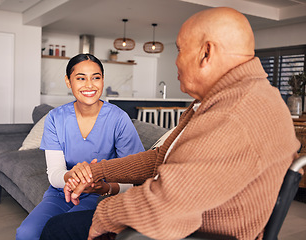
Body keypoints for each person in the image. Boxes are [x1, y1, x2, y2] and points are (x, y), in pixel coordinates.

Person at [40, 7, 300, 240]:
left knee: (57, 229)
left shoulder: (236, 113)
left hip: (199, 232)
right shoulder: (224, 98)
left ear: (206, 53)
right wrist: (98, 172)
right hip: (188, 219)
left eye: (179, 50)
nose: (175, 62)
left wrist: (105, 214)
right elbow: (157, 159)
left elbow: (168, 201)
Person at [16, 54, 145, 240]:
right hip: (61, 193)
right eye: (81, 78)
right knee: (26, 233)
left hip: (101, 195)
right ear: (68, 82)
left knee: (64, 230)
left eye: (96, 77)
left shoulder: (119, 119)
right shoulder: (55, 118)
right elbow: (54, 174)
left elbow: (135, 176)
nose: (89, 85)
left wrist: (103, 187)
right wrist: (74, 176)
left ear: (102, 80)